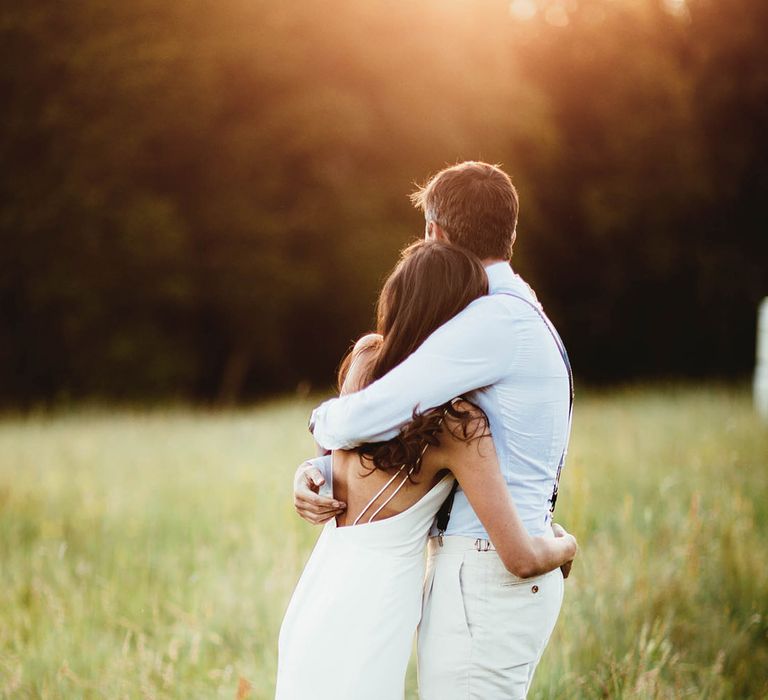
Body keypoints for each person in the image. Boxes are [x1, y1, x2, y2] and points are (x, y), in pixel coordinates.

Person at [296, 161, 575, 698]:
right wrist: (316, 470)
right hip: (492, 571)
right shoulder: (519, 311)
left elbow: (376, 410)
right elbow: (403, 447)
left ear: (435, 234)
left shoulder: (493, 320)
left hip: (489, 573)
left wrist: (321, 424)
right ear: (510, 234)